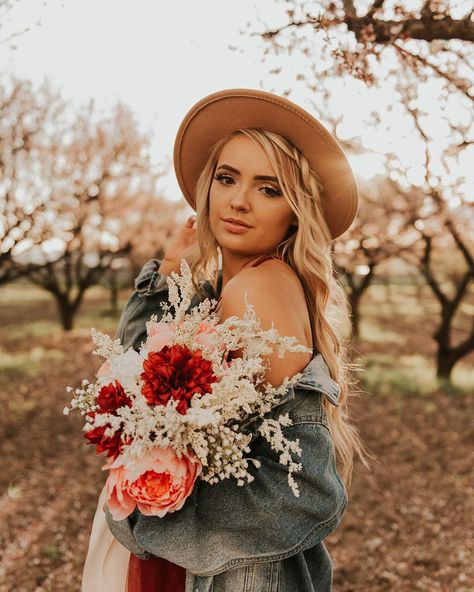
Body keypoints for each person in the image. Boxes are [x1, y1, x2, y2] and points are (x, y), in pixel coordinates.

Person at [82, 88, 367, 592]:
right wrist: (168, 275)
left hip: (237, 571)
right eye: (227, 178)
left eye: (269, 188)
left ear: (296, 211)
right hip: (204, 557)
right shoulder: (224, 291)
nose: (238, 200)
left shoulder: (259, 286)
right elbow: (138, 364)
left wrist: (158, 506)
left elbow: (296, 484)